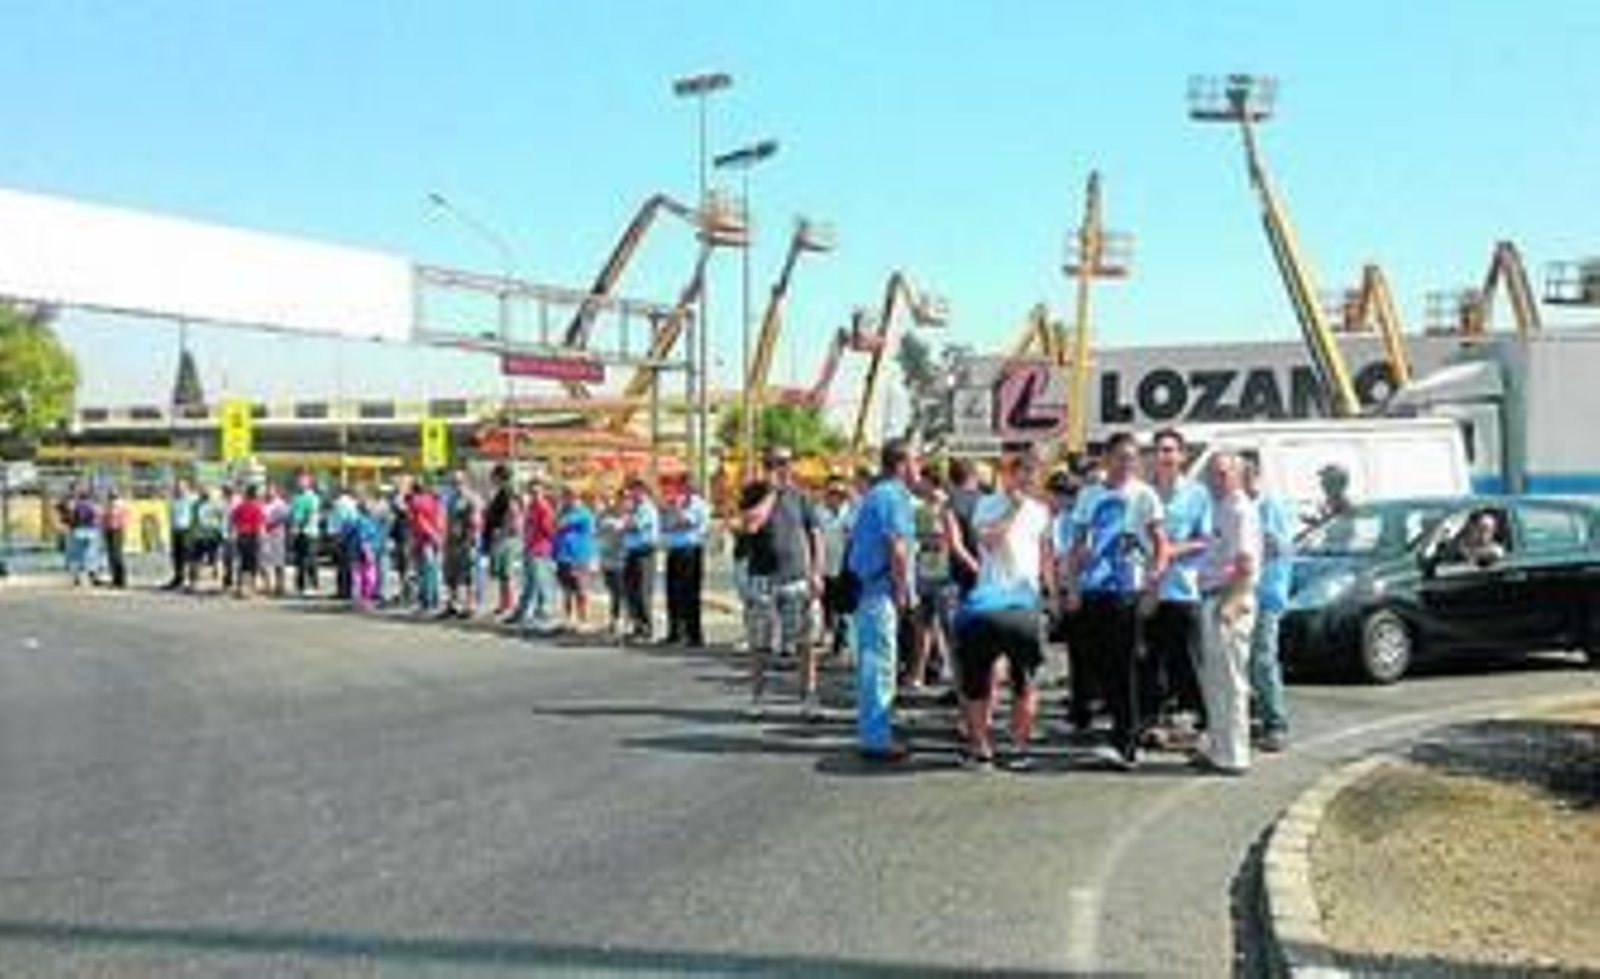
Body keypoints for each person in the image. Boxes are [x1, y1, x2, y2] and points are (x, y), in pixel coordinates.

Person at [1065, 431, 1168, 771]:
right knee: (1100, 664)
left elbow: (1160, 543)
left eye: (1132, 457)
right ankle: (1119, 731)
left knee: (1126, 665)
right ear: (1106, 459)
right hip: (1094, 588)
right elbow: (1078, 544)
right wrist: (1072, 586)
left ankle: (1127, 743)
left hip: (1129, 587)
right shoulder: (1089, 495)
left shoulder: (1145, 495)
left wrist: (1153, 585)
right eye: (1121, 457)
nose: (1127, 464)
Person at [953, 449, 1056, 771]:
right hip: (988, 598)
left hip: (1024, 602)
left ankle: (1019, 744)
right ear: (1007, 474)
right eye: (1021, 471)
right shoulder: (987, 504)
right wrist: (1012, 508)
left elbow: (1045, 555)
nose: (1027, 478)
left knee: (1024, 678)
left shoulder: (1041, 511)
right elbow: (988, 542)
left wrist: (1052, 593)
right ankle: (981, 746)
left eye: (1032, 472)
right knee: (978, 679)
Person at [847, 437, 919, 763]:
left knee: (874, 663)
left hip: (869, 588)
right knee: (880, 665)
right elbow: (897, 547)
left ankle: (874, 730)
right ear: (902, 465)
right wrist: (904, 591)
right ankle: (876, 739)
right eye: (915, 461)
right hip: (881, 589)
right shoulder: (894, 496)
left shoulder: (877, 494)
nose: (919, 468)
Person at [1192, 451, 1263, 776]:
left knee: (1231, 681)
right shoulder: (1221, 507)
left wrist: (1231, 604)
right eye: (1212, 473)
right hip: (1214, 595)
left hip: (1228, 598)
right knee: (1216, 681)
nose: (1215, 479)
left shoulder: (1239, 510)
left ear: (1237, 474)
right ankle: (1221, 750)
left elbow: (1246, 562)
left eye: (1223, 473)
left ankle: (1234, 755)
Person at [741, 446, 824, 720]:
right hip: (762, 578)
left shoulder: (802, 497)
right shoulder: (754, 493)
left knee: (805, 642)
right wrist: (772, 493)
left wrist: (817, 572)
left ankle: (808, 698)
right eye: (774, 463)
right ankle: (757, 697)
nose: (781, 467)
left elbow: (815, 535)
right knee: (760, 643)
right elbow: (752, 524)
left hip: (797, 577)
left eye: (786, 462)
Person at [1142, 429, 1212, 747]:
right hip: (1149, 590)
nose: (1164, 456)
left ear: (1182, 456)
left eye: (1170, 450)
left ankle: (1199, 722)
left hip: (1184, 590)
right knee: (1150, 660)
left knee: (1188, 660)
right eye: (1159, 450)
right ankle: (1152, 723)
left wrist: (1170, 551)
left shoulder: (1198, 494)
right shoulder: (1144, 494)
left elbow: (1207, 539)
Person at [1245, 458, 1293, 754]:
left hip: (1266, 593)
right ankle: (1259, 717)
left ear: (1258, 475)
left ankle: (1276, 723)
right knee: (1248, 660)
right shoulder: (1241, 505)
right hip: (1244, 593)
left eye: (1249, 473)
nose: (1244, 479)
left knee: (1263, 658)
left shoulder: (1268, 506)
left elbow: (1278, 548)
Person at [908, 471, 952, 691]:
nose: (918, 484)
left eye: (922, 480)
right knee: (924, 623)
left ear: (930, 481)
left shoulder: (946, 505)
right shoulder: (922, 507)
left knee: (945, 625)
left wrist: (928, 537)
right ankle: (919, 673)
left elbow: (945, 538)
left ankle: (951, 675)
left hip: (943, 568)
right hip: (926, 566)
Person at [661, 478, 710, 648]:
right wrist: (673, 514)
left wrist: (677, 510)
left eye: (684, 486)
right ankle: (675, 632)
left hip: (691, 551)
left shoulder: (699, 505)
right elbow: (666, 525)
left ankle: (693, 635)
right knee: (672, 593)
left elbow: (688, 522)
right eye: (680, 486)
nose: (681, 489)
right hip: (674, 550)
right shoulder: (675, 503)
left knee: (689, 594)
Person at [514, 471, 560, 636]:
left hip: (540, 550)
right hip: (530, 549)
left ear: (542, 490)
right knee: (530, 583)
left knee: (542, 584)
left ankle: (543, 615)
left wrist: (552, 547)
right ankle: (525, 613)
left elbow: (549, 530)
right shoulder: (532, 507)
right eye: (531, 490)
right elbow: (528, 528)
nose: (534, 493)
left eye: (537, 490)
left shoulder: (543, 507)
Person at [817, 477, 855, 660]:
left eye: (841, 494)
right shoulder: (818, 513)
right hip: (825, 567)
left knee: (844, 608)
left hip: (846, 567)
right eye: (833, 493)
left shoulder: (851, 512)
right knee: (827, 606)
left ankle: (841, 643)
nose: (837, 497)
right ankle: (829, 637)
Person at [620, 477, 660, 642]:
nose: (629, 494)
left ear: (641, 491)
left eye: (632, 491)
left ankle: (646, 629)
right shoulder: (634, 508)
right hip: (632, 551)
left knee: (642, 591)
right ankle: (637, 626)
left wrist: (623, 523)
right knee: (631, 591)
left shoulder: (647, 508)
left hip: (644, 552)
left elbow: (635, 526)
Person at [553, 486, 598, 632]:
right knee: (566, 590)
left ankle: (583, 619)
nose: (567, 499)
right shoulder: (564, 511)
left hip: (578, 556)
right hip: (563, 556)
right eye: (565, 496)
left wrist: (560, 514)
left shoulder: (583, 513)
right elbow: (555, 525)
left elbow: (559, 524)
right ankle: (568, 618)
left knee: (580, 588)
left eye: (571, 496)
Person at [482, 463, 522, 619]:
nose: (492, 479)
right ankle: (504, 603)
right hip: (502, 536)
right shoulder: (502, 492)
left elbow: (512, 513)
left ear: (500, 477)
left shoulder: (508, 492)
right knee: (502, 573)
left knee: (506, 572)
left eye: (494, 476)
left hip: (505, 538)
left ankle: (508, 604)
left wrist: (502, 531)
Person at [441, 470, 481, 619]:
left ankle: (469, 606)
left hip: (466, 541)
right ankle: (452, 604)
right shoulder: (451, 499)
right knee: (451, 574)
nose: (455, 485)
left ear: (466, 482)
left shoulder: (472, 498)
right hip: (452, 541)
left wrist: (473, 541)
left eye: (458, 482)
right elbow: (448, 520)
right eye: (453, 482)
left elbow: (476, 522)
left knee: (468, 575)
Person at [409, 479, 444, 614]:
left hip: (423, 540)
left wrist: (425, 536)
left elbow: (419, 522)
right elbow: (440, 520)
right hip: (435, 539)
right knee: (433, 570)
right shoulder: (434, 501)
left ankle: (426, 602)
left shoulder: (415, 502)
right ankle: (434, 600)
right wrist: (438, 537)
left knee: (424, 572)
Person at [596, 491, 628, 637]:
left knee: (622, 592)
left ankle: (625, 622)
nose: (621, 502)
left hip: (622, 559)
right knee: (613, 592)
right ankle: (614, 621)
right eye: (620, 498)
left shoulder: (628, 516)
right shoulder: (605, 515)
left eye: (625, 499)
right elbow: (598, 531)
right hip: (607, 558)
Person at [288, 473, 322, 596]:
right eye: (299, 482)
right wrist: (293, 527)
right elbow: (292, 513)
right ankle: (300, 586)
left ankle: (314, 585)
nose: (300, 484)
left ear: (308, 483)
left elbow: (310, 513)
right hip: (297, 532)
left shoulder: (312, 497)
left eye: (303, 482)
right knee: (299, 560)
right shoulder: (295, 497)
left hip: (310, 532)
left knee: (311, 560)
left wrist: (300, 525)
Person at [230, 484, 266, 598]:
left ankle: (240, 587)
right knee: (252, 563)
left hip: (241, 536)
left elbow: (233, 520)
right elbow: (260, 525)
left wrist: (235, 533)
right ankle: (250, 588)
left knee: (242, 563)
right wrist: (262, 539)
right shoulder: (257, 508)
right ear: (255, 495)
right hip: (252, 536)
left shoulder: (240, 507)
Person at [326, 485, 359, 602]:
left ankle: (342, 590)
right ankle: (348, 590)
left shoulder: (338, 504)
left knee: (341, 565)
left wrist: (335, 537)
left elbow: (336, 521)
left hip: (340, 534)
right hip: (350, 535)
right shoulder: (353, 503)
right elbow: (354, 520)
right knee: (348, 564)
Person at [163, 478, 197, 590]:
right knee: (176, 556)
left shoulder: (192, 499)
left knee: (188, 556)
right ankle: (178, 578)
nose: (179, 489)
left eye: (181, 486)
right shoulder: (173, 500)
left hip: (187, 530)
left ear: (187, 487)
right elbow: (171, 515)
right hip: (175, 530)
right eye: (177, 486)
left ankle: (191, 580)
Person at [63, 485, 99, 587]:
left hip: (78, 531)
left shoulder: (75, 505)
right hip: (91, 531)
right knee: (91, 554)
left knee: (76, 556)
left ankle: (77, 578)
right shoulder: (92, 505)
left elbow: (70, 517)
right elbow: (96, 518)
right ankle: (92, 576)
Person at [261, 482, 290, 598]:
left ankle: (280, 586)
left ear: (276, 491)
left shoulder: (281, 504)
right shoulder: (262, 503)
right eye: (267, 490)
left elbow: (285, 517)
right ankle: (267, 586)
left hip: (277, 535)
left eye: (271, 490)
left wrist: (272, 523)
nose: (268, 492)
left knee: (279, 562)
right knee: (264, 562)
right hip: (264, 536)